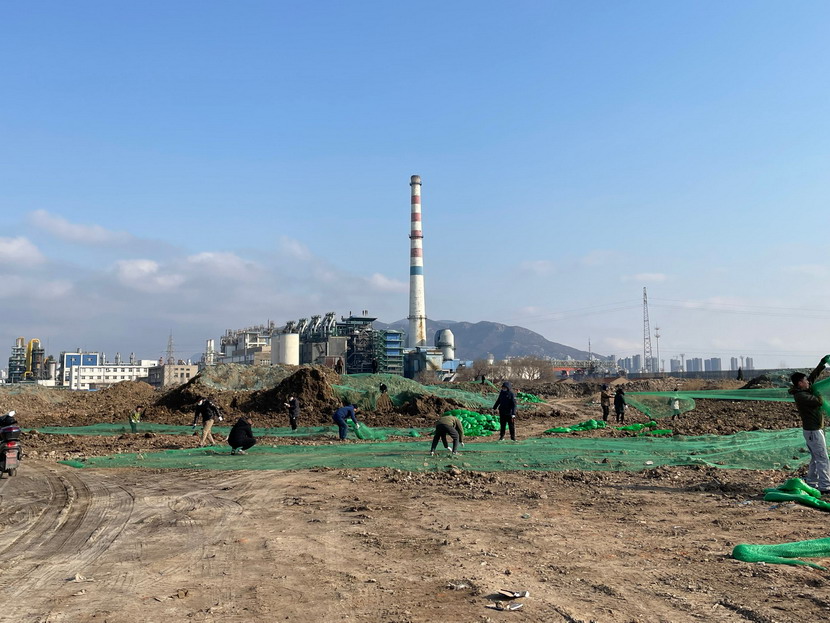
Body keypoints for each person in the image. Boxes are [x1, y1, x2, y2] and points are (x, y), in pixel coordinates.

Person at [790, 356, 830, 493]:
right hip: (813, 431)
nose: (808, 382)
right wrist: (819, 392)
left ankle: (812, 483)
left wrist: (822, 364)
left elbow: (812, 378)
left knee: (815, 458)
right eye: (805, 380)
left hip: (814, 430)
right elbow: (818, 401)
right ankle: (825, 486)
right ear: (800, 383)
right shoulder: (801, 396)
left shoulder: (803, 391)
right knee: (822, 458)